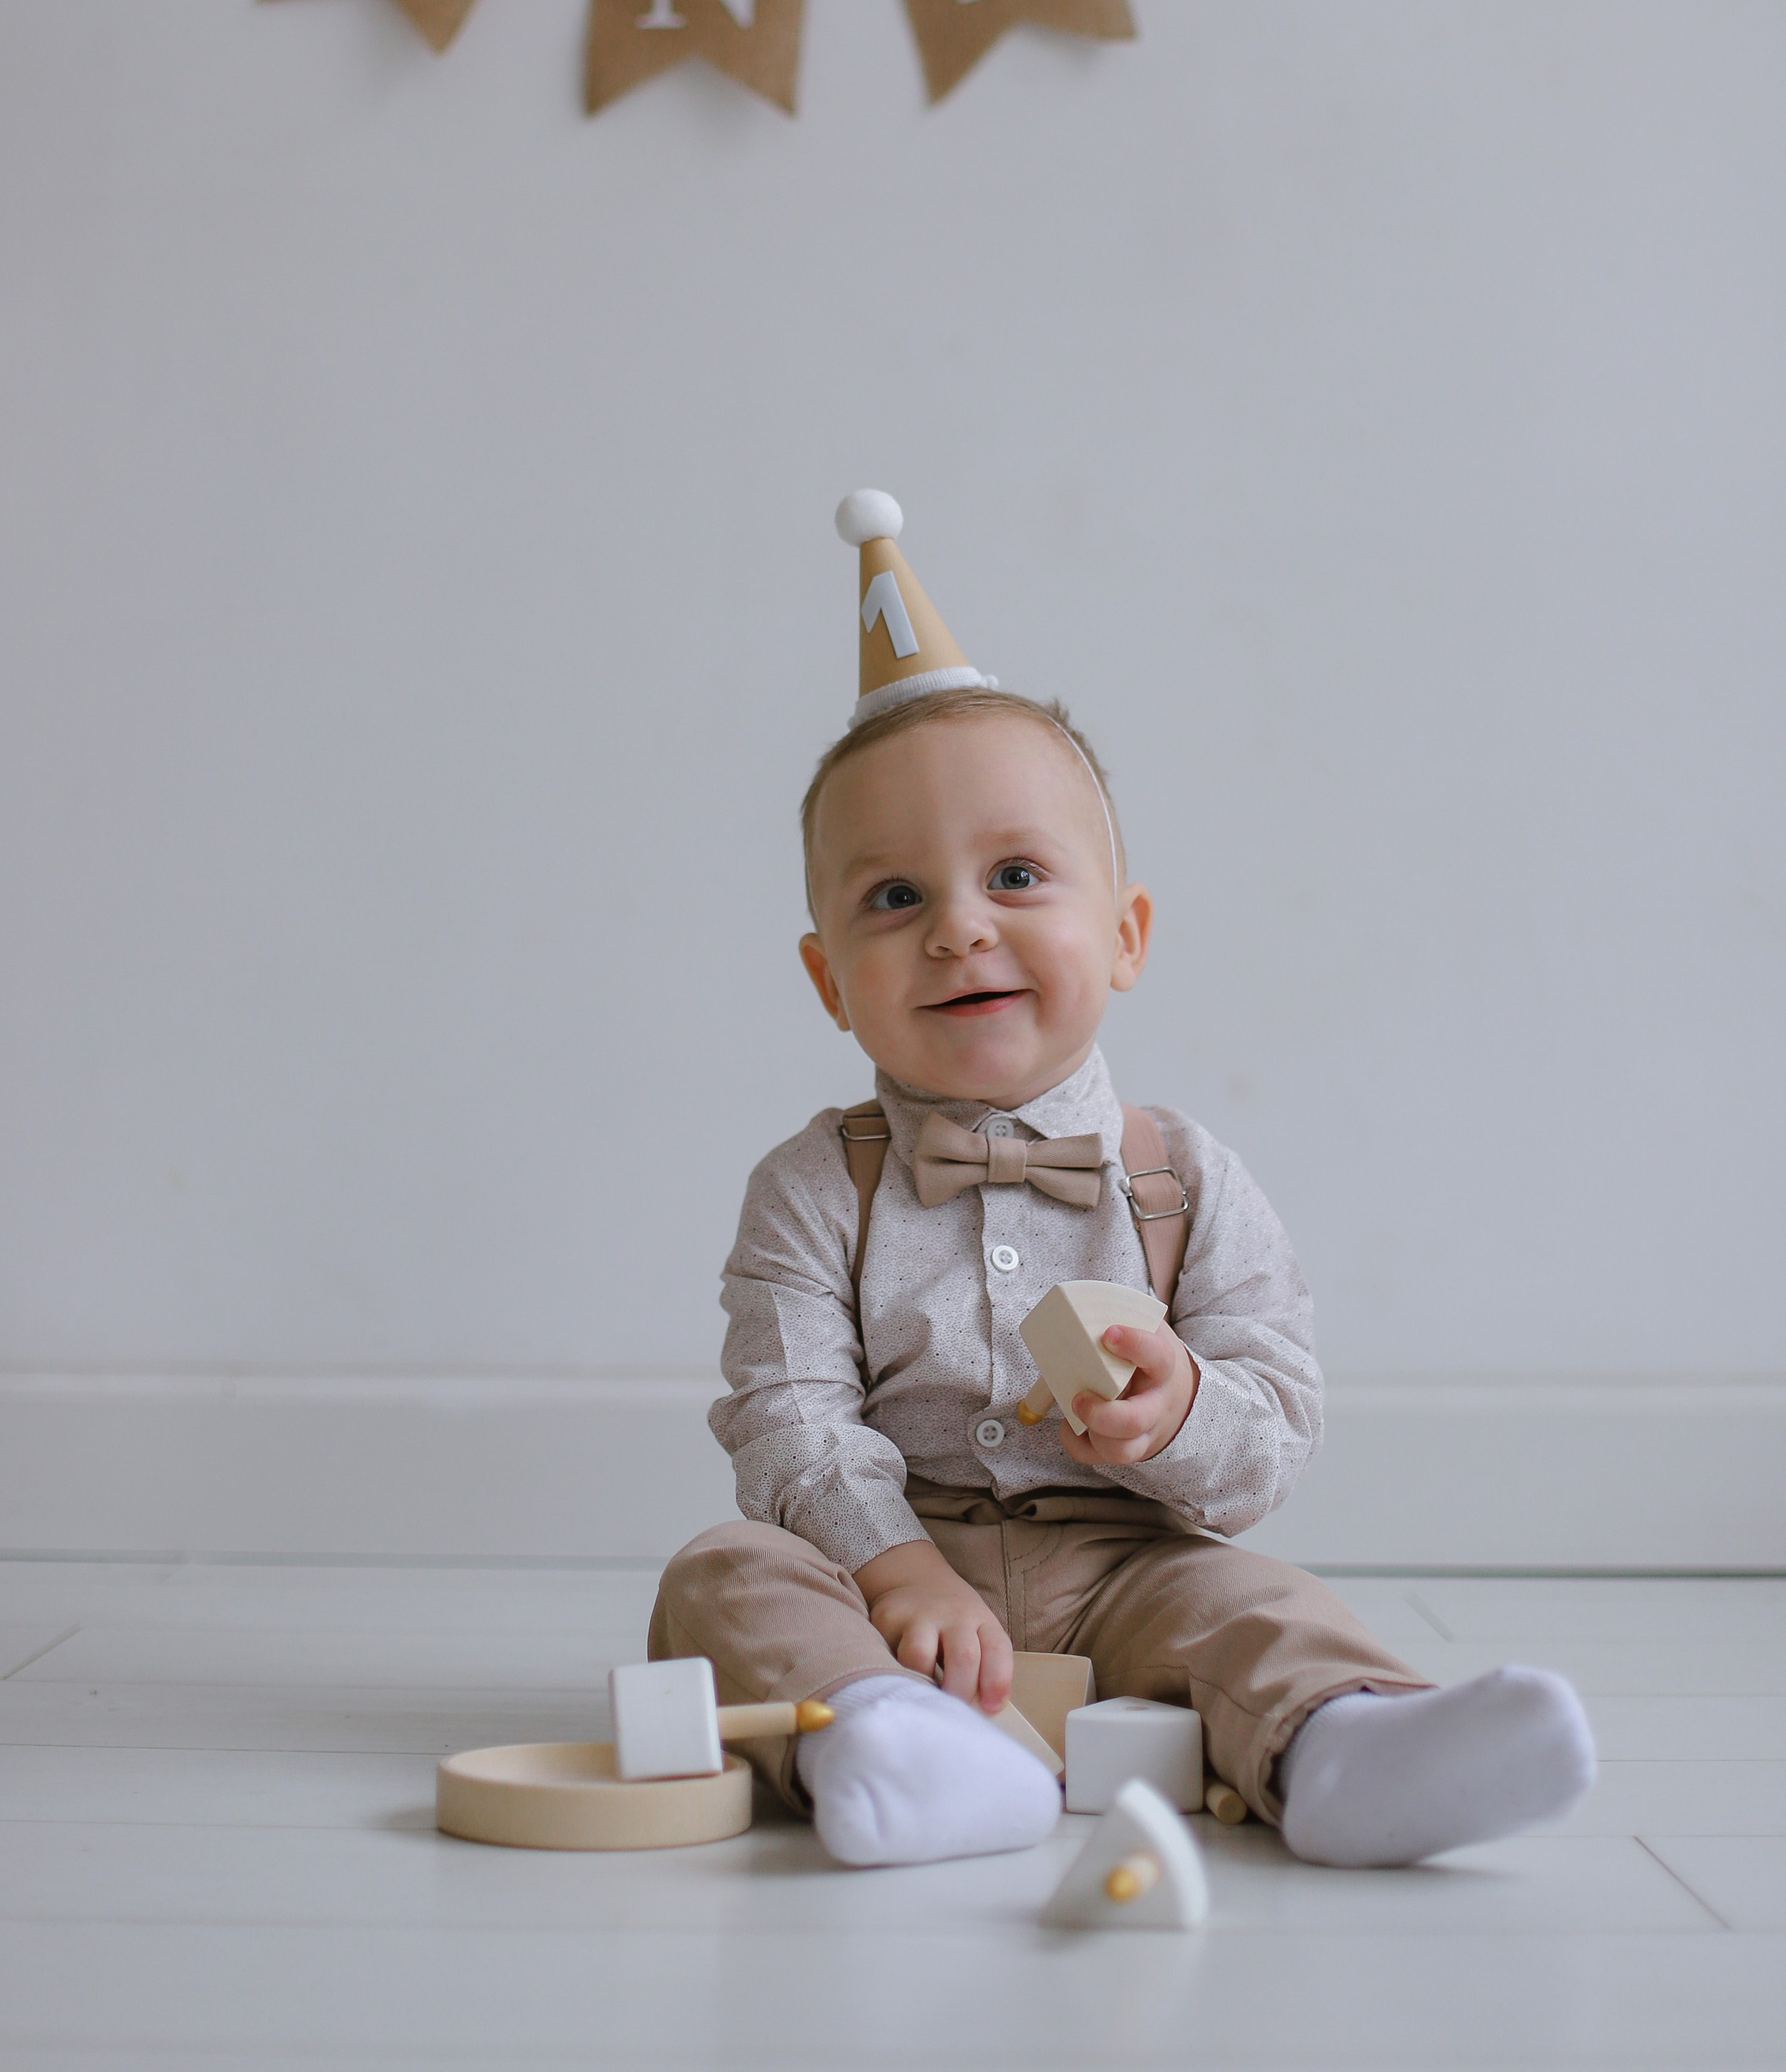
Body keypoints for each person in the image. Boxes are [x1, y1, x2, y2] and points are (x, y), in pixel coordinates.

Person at [649, 494, 1595, 1869]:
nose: (961, 924)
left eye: (1018, 874)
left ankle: (1346, 1744)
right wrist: (896, 1570)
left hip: (1130, 1565)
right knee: (720, 1578)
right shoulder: (814, 1186)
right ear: (826, 980)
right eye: (894, 898)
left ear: (1127, 930)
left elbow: (1273, 1428)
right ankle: (882, 1732)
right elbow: (786, 1411)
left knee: (1254, 1599)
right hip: (882, 1562)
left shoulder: (1184, 1178)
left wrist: (1180, 1410)